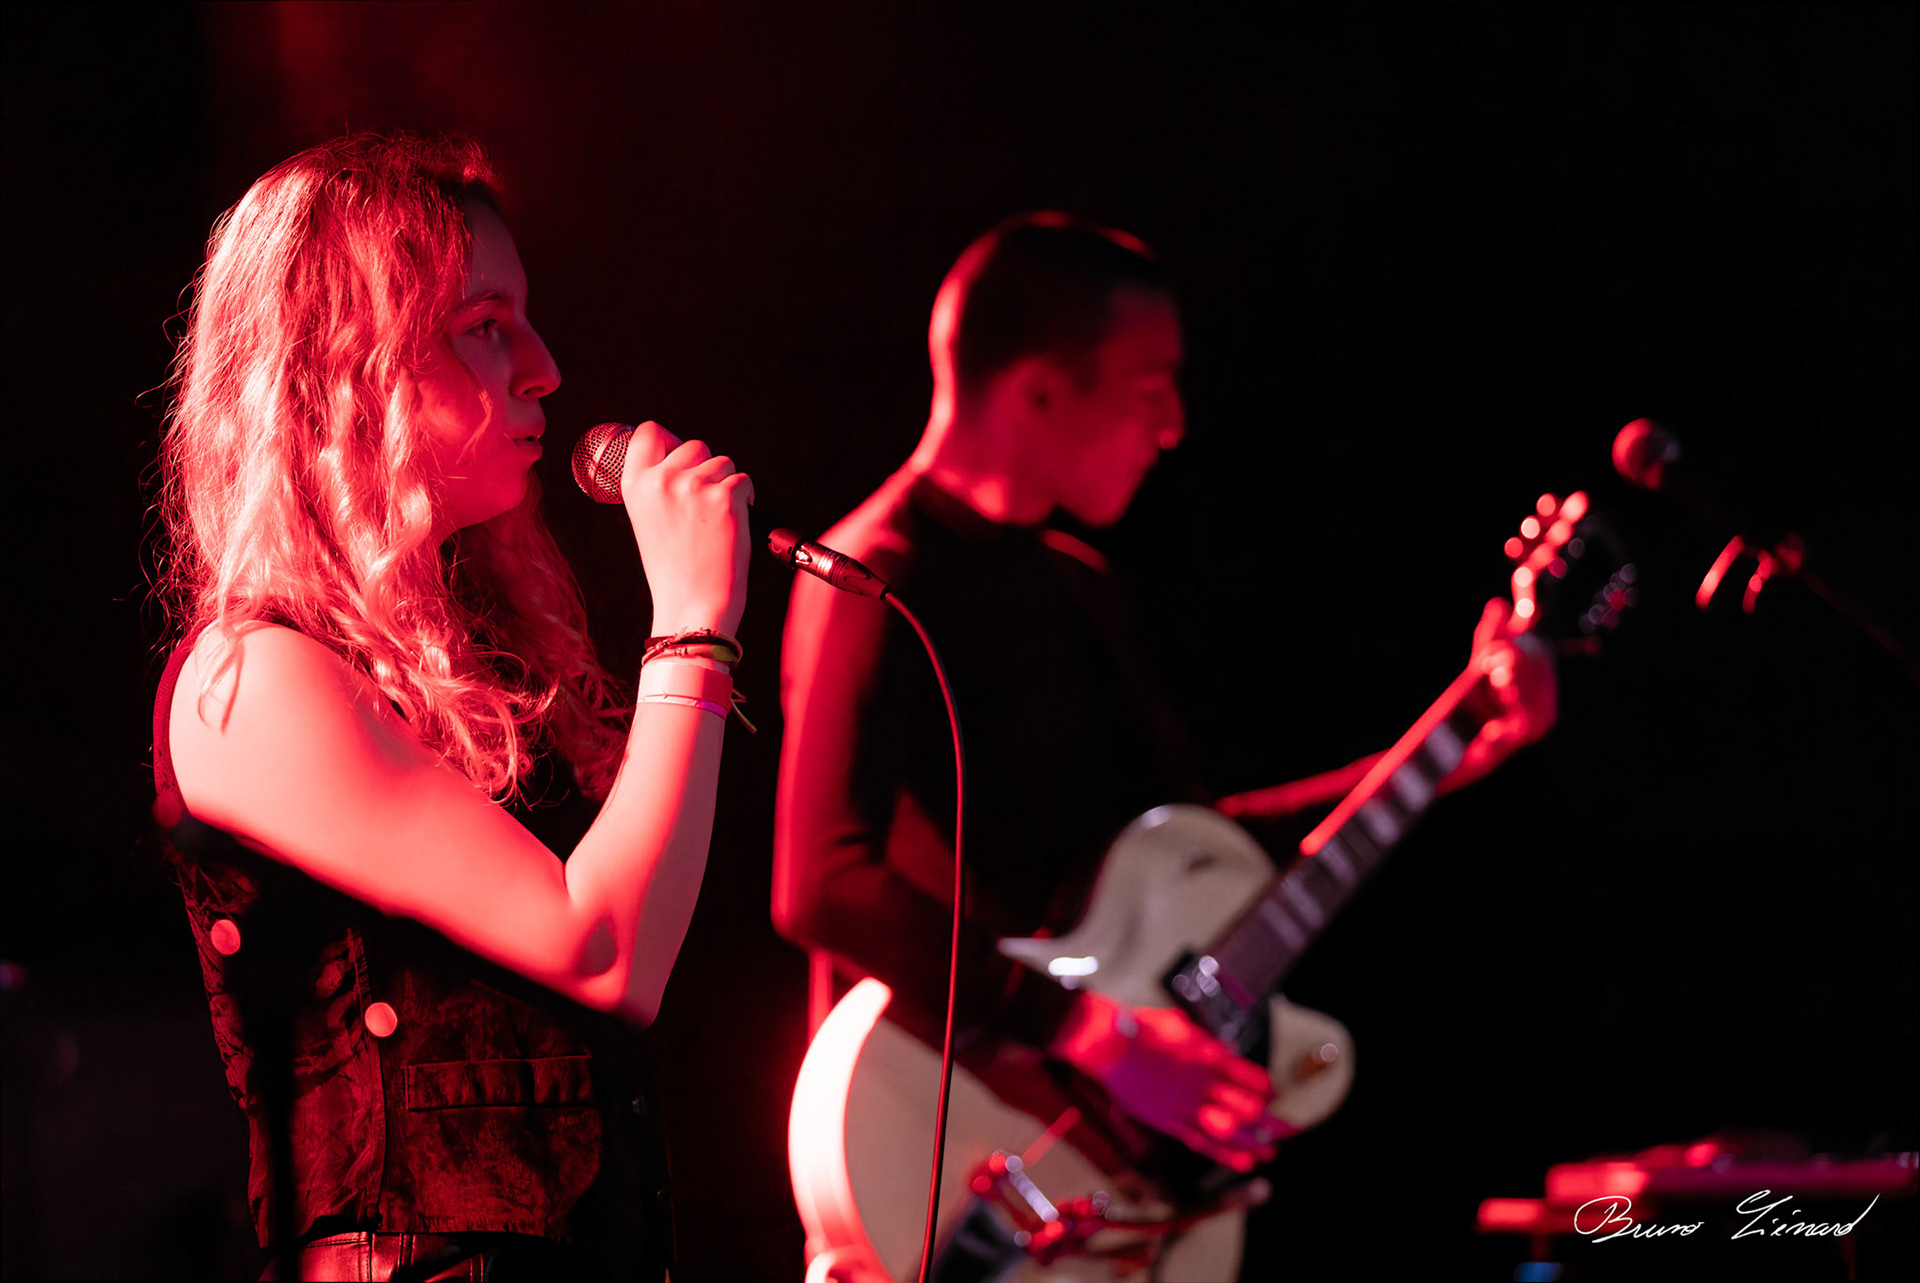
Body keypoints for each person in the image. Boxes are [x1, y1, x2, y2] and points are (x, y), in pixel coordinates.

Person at [770, 212, 1554, 1277]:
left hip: (1085, 1178)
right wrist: (1102, 1035)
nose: (1177, 423)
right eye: (1152, 388)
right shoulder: (871, 573)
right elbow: (822, 882)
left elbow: (1200, 848)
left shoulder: (1079, 587)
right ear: (1040, 388)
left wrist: (1452, 744)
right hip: (935, 1162)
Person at [151, 133, 751, 1281]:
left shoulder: (485, 666)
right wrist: (693, 629)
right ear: (345, 361)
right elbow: (604, 947)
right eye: (484, 325)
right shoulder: (252, 677)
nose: (544, 367)